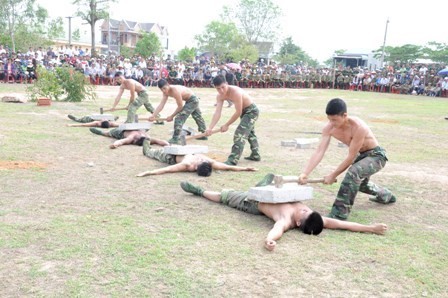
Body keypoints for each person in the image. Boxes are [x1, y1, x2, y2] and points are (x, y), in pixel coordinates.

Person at [179, 179, 388, 252]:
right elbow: (343, 225)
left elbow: (277, 230)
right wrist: (371, 228)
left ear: (298, 222)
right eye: (308, 210)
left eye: (305, 212)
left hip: (253, 203)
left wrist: (269, 241)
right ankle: (264, 183)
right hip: (272, 191)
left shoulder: (287, 220)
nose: (306, 209)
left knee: (224, 195)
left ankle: (198, 191)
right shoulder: (315, 218)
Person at [298, 98, 396, 220]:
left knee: (353, 173)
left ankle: (338, 214)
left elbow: (351, 157)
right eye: (329, 119)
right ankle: (386, 195)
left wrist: (333, 175)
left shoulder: (359, 127)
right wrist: (305, 173)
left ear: (344, 115)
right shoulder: (329, 129)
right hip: (362, 155)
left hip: (376, 156)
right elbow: (319, 151)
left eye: (334, 119)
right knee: (360, 185)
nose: (331, 122)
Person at [206, 74, 260, 165]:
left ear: (227, 83)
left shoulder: (235, 92)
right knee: (249, 133)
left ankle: (233, 160)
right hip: (243, 111)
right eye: (218, 88)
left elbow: (238, 112)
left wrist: (227, 124)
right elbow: (217, 112)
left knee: (240, 133)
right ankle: (255, 155)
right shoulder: (219, 96)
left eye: (223, 87)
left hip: (251, 111)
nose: (221, 90)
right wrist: (210, 128)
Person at [136, 139, 257, 177]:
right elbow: (227, 167)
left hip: (169, 157)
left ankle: (146, 148)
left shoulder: (187, 164)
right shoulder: (208, 161)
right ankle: (163, 143)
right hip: (182, 149)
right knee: (171, 145)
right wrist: (245, 168)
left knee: (153, 153)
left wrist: (148, 172)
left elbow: (166, 170)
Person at [149, 79, 207, 144]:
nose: (163, 91)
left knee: (179, 117)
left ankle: (175, 138)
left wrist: (171, 116)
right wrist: (153, 115)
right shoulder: (165, 93)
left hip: (192, 100)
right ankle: (204, 134)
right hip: (190, 100)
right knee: (197, 116)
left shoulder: (175, 90)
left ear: (168, 85)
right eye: (161, 89)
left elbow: (180, 107)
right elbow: (161, 105)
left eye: (164, 88)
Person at [89, 127, 168, 149]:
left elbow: (121, 141)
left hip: (120, 132)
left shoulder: (131, 137)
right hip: (132, 126)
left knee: (108, 133)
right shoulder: (148, 137)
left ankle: (100, 132)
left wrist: (114, 144)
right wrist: (168, 144)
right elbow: (159, 141)